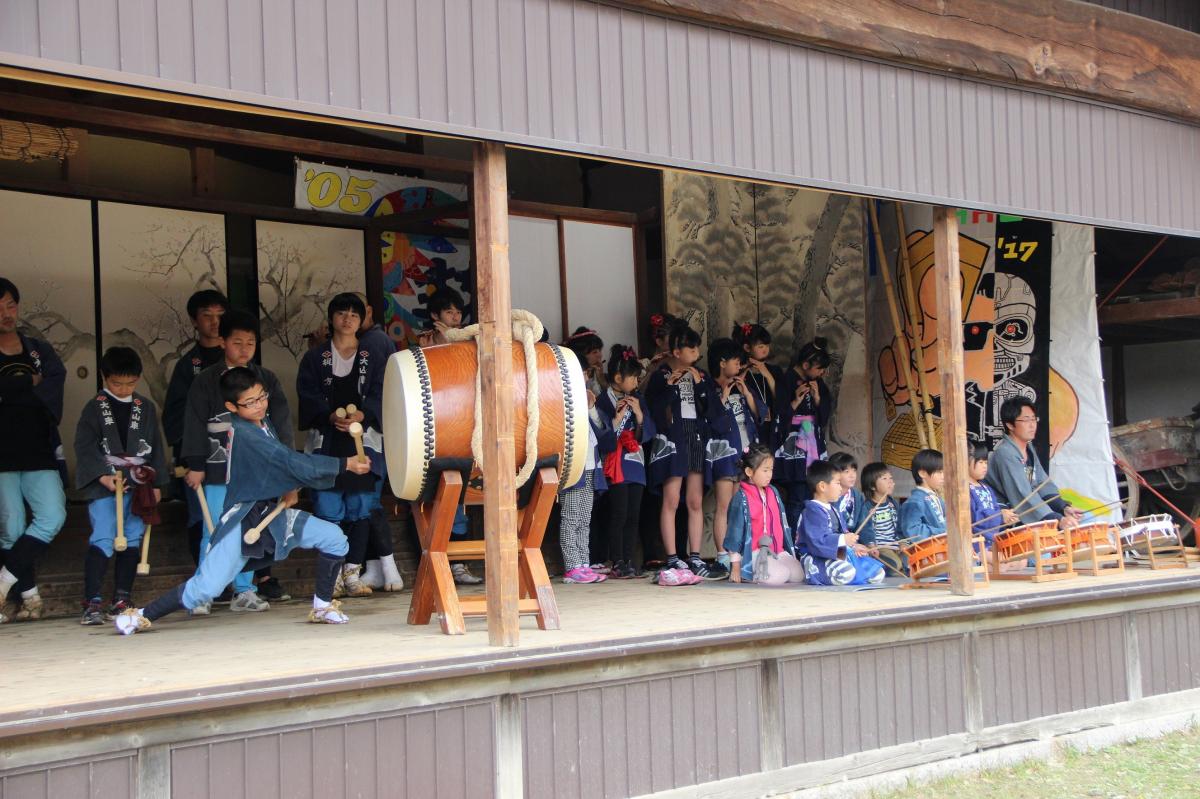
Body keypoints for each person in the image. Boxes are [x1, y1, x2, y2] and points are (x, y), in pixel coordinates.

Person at [114, 368, 372, 635]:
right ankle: (141, 615)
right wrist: (345, 464)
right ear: (231, 406)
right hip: (245, 518)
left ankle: (323, 605)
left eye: (262, 397)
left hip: (271, 514)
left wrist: (288, 487)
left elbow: (278, 464)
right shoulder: (245, 434)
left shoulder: (262, 422)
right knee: (206, 588)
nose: (259, 406)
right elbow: (287, 461)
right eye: (250, 402)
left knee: (333, 538)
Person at [181, 309, 292, 613]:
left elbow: (281, 423)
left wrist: (285, 465)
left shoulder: (265, 379)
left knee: (248, 531)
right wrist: (196, 464)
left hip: (255, 471)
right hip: (216, 470)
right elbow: (193, 422)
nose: (244, 350)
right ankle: (202, 592)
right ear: (222, 343)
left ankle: (244, 590)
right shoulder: (206, 381)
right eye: (237, 343)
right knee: (213, 530)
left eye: (250, 344)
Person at [298, 294, 386, 598]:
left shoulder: (371, 356)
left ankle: (352, 574)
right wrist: (328, 415)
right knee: (328, 509)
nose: (347, 319)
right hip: (328, 441)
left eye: (354, 314)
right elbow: (307, 394)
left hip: (363, 442)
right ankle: (331, 577)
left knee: (360, 508)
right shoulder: (315, 357)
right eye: (341, 313)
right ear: (331, 318)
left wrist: (365, 414)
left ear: (362, 320)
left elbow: (380, 392)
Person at [75, 347, 169, 624]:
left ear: (138, 379)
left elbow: (157, 448)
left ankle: (122, 598)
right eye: (117, 383)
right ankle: (91, 601)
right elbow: (84, 445)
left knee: (132, 537)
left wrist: (158, 482)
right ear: (104, 378)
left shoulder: (146, 408)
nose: (124, 388)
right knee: (103, 537)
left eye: (130, 383)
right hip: (106, 484)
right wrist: (102, 474)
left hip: (139, 483)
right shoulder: (94, 408)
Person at [0, 277, 67, 624]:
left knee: (53, 515)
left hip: (39, 445)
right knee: (11, 527)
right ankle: (30, 598)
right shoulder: (33, 368)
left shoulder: (38, 349)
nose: (5, 313)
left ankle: (3, 581)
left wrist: (11, 391)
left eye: (10, 305)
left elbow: (56, 380)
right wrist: (28, 383)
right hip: (1, 453)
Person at [416, 287, 480, 584]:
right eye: (449, 312)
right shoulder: (421, 346)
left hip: (464, 426)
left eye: (457, 312)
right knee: (432, 498)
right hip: (432, 431)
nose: (455, 318)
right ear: (435, 316)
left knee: (460, 499)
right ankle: (435, 563)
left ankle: (459, 563)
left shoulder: (469, 342)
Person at [162, 289, 228, 567]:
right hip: (200, 452)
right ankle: (206, 574)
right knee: (201, 514)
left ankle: (246, 581)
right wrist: (187, 454)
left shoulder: (238, 358)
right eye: (207, 316)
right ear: (194, 321)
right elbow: (175, 414)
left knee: (240, 512)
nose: (214, 323)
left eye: (220, 317)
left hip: (236, 449)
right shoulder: (189, 365)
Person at [645, 321, 712, 584]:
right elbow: (653, 407)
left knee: (695, 501)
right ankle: (672, 557)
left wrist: (702, 386)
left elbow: (713, 409)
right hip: (673, 440)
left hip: (695, 438)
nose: (696, 354)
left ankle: (695, 556)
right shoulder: (661, 375)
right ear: (677, 351)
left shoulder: (700, 375)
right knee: (671, 500)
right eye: (691, 349)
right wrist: (673, 386)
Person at [353, 293, 403, 592]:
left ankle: (388, 566)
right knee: (363, 501)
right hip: (367, 429)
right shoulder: (368, 341)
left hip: (370, 430)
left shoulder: (373, 342)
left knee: (368, 500)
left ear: (368, 312)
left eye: (357, 312)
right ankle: (375, 568)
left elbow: (371, 391)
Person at [595, 344, 655, 580]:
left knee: (633, 513)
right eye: (633, 378)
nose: (637, 383)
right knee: (618, 512)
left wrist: (639, 416)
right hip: (616, 462)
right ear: (618, 378)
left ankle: (629, 560)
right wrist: (617, 419)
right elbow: (601, 434)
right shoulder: (602, 401)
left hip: (635, 461)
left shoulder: (638, 398)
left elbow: (648, 430)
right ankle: (616, 559)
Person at [705, 337, 763, 578]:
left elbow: (760, 414)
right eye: (735, 362)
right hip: (724, 452)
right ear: (721, 363)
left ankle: (738, 554)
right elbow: (712, 421)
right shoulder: (709, 387)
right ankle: (721, 555)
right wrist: (724, 395)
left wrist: (746, 392)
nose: (739, 367)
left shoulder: (741, 386)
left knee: (740, 507)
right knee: (724, 505)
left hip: (745, 450)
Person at [987, 397, 1082, 528]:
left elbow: (1040, 484)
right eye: (1026, 420)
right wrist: (1056, 519)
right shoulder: (1006, 453)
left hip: (1024, 512)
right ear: (1010, 425)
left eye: (1033, 419)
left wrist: (1063, 507)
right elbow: (1023, 494)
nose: (1032, 425)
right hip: (1005, 519)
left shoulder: (1028, 449)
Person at [796, 459, 885, 586]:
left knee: (877, 572)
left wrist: (854, 547)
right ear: (822, 486)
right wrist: (843, 540)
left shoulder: (833, 509)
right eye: (837, 483)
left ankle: (851, 573)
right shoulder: (812, 511)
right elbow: (817, 542)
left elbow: (843, 536)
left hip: (838, 553)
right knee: (846, 572)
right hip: (816, 556)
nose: (840, 487)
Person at [774, 337, 833, 527]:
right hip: (794, 443)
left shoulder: (818, 383)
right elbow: (779, 414)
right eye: (819, 368)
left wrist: (817, 398)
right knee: (797, 495)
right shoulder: (786, 380)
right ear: (806, 364)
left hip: (813, 439)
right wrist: (796, 401)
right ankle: (793, 542)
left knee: (813, 490)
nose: (821, 373)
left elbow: (824, 415)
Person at [724, 445, 801, 584]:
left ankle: (772, 566)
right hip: (753, 553)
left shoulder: (773, 492)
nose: (769, 474)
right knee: (780, 575)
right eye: (765, 470)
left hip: (776, 551)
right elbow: (734, 533)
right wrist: (735, 566)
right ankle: (749, 572)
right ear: (749, 471)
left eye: (771, 469)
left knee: (798, 575)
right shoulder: (741, 498)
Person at [558, 387, 608, 584]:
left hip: (589, 468)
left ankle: (584, 564)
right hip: (572, 469)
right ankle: (572, 567)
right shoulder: (563, 405)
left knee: (584, 518)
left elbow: (604, 433)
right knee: (570, 518)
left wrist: (590, 407)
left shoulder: (587, 410)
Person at [732, 322, 782, 447]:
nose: (765, 349)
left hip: (772, 428)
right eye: (760, 346)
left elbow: (782, 400)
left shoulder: (775, 371)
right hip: (749, 427)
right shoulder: (740, 372)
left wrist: (768, 375)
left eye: (766, 345)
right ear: (747, 348)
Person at [969, 442, 1019, 548]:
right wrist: (1000, 517)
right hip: (976, 543)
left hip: (992, 540)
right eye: (980, 462)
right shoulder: (965, 490)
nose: (984, 466)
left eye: (986, 462)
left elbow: (996, 510)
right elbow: (976, 518)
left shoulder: (987, 488)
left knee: (1021, 560)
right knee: (1005, 562)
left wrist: (1006, 519)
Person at [856, 462, 903, 574]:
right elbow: (865, 529)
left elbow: (900, 524)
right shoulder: (867, 506)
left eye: (891, 478)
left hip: (896, 546)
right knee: (896, 565)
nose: (890, 481)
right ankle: (874, 564)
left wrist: (903, 543)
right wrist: (871, 545)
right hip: (880, 547)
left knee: (913, 560)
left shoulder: (893, 503)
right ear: (872, 486)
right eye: (885, 479)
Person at [898, 449, 946, 541]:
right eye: (939, 472)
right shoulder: (914, 502)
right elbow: (913, 531)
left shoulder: (935, 497)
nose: (943, 476)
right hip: (927, 552)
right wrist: (942, 532)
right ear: (923, 473)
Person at [565, 326, 606, 396]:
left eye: (600, 351)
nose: (600, 355)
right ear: (581, 354)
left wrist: (601, 378)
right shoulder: (569, 377)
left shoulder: (596, 372)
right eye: (594, 352)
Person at [829, 452, 863, 531]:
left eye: (854, 470)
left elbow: (862, 523)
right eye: (847, 471)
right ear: (834, 474)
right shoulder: (828, 497)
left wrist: (869, 542)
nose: (852, 475)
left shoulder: (857, 495)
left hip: (853, 539)